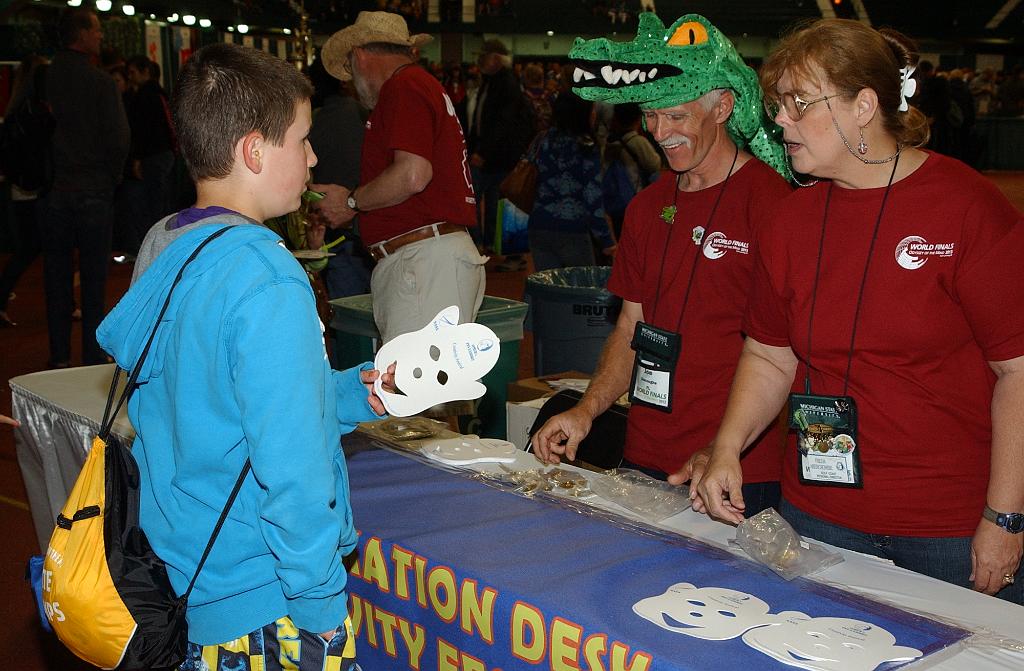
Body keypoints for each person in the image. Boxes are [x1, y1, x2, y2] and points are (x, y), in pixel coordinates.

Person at [691, 19, 1024, 604]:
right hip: (818, 513)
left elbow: (1018, 373)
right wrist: (726, 448)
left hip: (947, 528)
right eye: (777, 104)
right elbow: (770, 355)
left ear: (864, 106)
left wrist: (1006, 518)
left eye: (797, 103)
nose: (779, 120)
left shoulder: (967, 208)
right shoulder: (791, 219)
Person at [96, 42, 392, 669]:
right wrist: (319, 606)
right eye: (303, 140)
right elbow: (294, 468)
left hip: (185, 576)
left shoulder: (171, 247)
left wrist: (350, 394)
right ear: (254, 150)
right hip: (263, 596)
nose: (313, 157)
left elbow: (209, 407)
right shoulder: (268, 276)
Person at [533, 13, 791, 516]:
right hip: (644, 454)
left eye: (676, 116)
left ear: (722, 106)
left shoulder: (771, 204)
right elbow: (632, 325)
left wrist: (725, 447)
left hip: (734, 469)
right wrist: (586, 410)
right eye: (651, 116)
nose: (659, 132)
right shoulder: (648, 207)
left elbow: (786, 353)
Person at [313, 11, 486, 343]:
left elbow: (412, 175)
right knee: (432, 391)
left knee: (413, 391)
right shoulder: (417, 86)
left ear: (360, 53)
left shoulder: (404, 86)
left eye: (350, 66)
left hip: (423, 262)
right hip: (429, 257)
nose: (351, 80)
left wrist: (350, 201)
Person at [38, 8, 129, 367]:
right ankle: (91, 357)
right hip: (93, 188)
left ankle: (58, 356)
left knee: (55, 278)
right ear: (81, 35)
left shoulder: (41, 79)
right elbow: (119, 139)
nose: (100, 36)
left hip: (52, 189)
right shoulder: (100, 83)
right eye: (96, 30)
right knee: (94, 282)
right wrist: (112, 177)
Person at [526, 93, 615, 271]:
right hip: (572, 229)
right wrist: (606, 240)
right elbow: (593, 197)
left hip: (539, 223)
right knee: (582, 289)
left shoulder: (542, 140)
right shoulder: (586, 147)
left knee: (548, 288)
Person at [466, 38, 535, 259]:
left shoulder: (504, 84)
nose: (479, 60)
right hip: (494, 154)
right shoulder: (493, 81)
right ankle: (489, 244)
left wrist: (483, 151)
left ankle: (484, 243)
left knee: (482, 199)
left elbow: (501, 123)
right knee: (493, 201)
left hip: (494, 156)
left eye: (484, 56)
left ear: (495, 59)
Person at [0, 54, 48, 327]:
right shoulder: (32, 112)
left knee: (31, 248)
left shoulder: (15, 111)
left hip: (21, 187)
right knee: (30, 248)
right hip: (31, 188)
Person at [124, 55, 176, 252]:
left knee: (154, 203)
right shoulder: (161, 93)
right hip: (164, 154)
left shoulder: (146, 96)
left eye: (133, 72)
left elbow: (142, 130)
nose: (130, 77)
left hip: (154, 155)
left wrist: (137, 158)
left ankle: (157, 248)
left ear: (145, 72)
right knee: (161, 200)